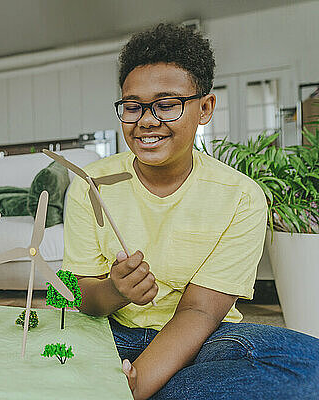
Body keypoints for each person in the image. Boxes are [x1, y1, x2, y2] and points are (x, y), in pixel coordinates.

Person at [63, 23, 319, 399]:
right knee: (39, 345)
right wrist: (115, 291)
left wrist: (139, 383)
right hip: (111, 333)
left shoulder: (242, 197)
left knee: (307, 364)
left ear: (205, 108)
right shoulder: (91, 184)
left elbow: (200, 311)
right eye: (132, 106)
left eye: (167, 105)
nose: (147, 121)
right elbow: (79, 295)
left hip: (203, 340)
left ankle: (112, 389)